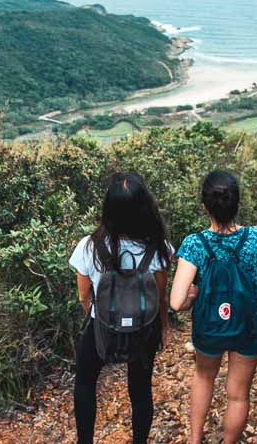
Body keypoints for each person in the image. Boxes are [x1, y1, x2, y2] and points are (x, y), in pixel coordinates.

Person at [170, 170, 257, 444]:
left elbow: (176, 301)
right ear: (237, 203)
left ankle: (195, 440)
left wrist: (193, 297)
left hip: (209, 325)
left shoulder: (194, 244)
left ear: (205, 206)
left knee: (204, 377)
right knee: (238, 393)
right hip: (249, 325)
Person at [69, 171, 173, 444]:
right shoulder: (159, 248)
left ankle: (85, 441)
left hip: (100, 327)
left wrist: (100, 319)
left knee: (85, 381)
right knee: (140, 390)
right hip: (144, 328)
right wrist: (163, 328)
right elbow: (159, 296)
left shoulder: (89, 246)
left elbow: (83, 296)